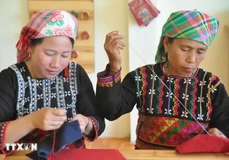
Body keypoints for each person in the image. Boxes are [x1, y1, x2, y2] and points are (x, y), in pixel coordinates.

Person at [96, 10, 229, 149]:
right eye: (185, 49)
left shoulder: (211, 85)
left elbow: (225, 122)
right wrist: (114, 65)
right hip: (148, 157)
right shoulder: (142, 77)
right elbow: (110, 111)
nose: (192, 59)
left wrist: (219, 132)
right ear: (166, 43)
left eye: (200, 51)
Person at [0, 9, 105, 154]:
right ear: (30, 46)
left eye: (65, 55)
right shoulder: (10, 78)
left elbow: (98, 122)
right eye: (49, 54)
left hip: (71, 154)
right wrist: (31, 121)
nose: (56, 64)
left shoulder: (76, 73)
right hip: (25, 154)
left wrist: (86, 123)